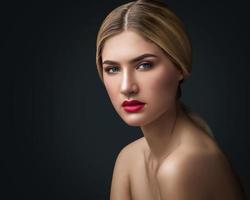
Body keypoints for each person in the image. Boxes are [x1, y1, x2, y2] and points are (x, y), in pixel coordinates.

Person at [95, 0, 246, 199]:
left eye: (144, 65)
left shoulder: (184, 165)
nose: (126, 87)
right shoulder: (128, 158)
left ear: (179, 67)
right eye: (112, 69)